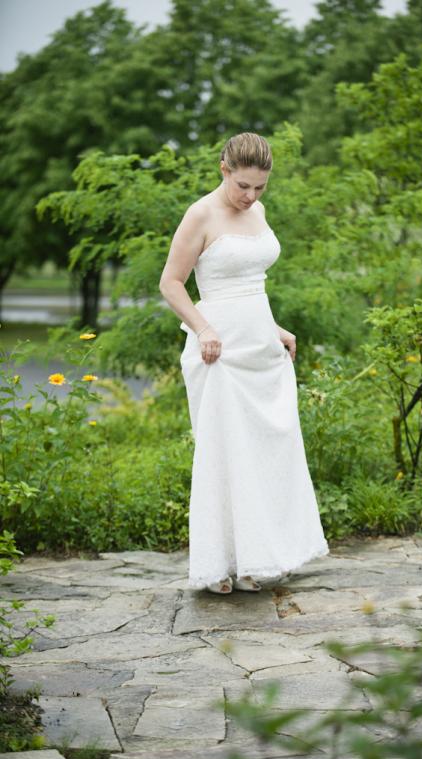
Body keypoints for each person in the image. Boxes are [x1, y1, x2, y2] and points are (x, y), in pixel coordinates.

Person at [159, 132, 329, 595]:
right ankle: (220, 565)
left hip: (262, 347)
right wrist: (204, 329)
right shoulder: (201, 214)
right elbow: (171, 283)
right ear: (224, 170)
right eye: (243, 187)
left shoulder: (259, 211)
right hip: (220, 351)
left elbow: (253, 284)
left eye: (260, 188)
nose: (251, 196)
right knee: (226, 453)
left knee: (269, 451)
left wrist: (274, 328)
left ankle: (262, 559)